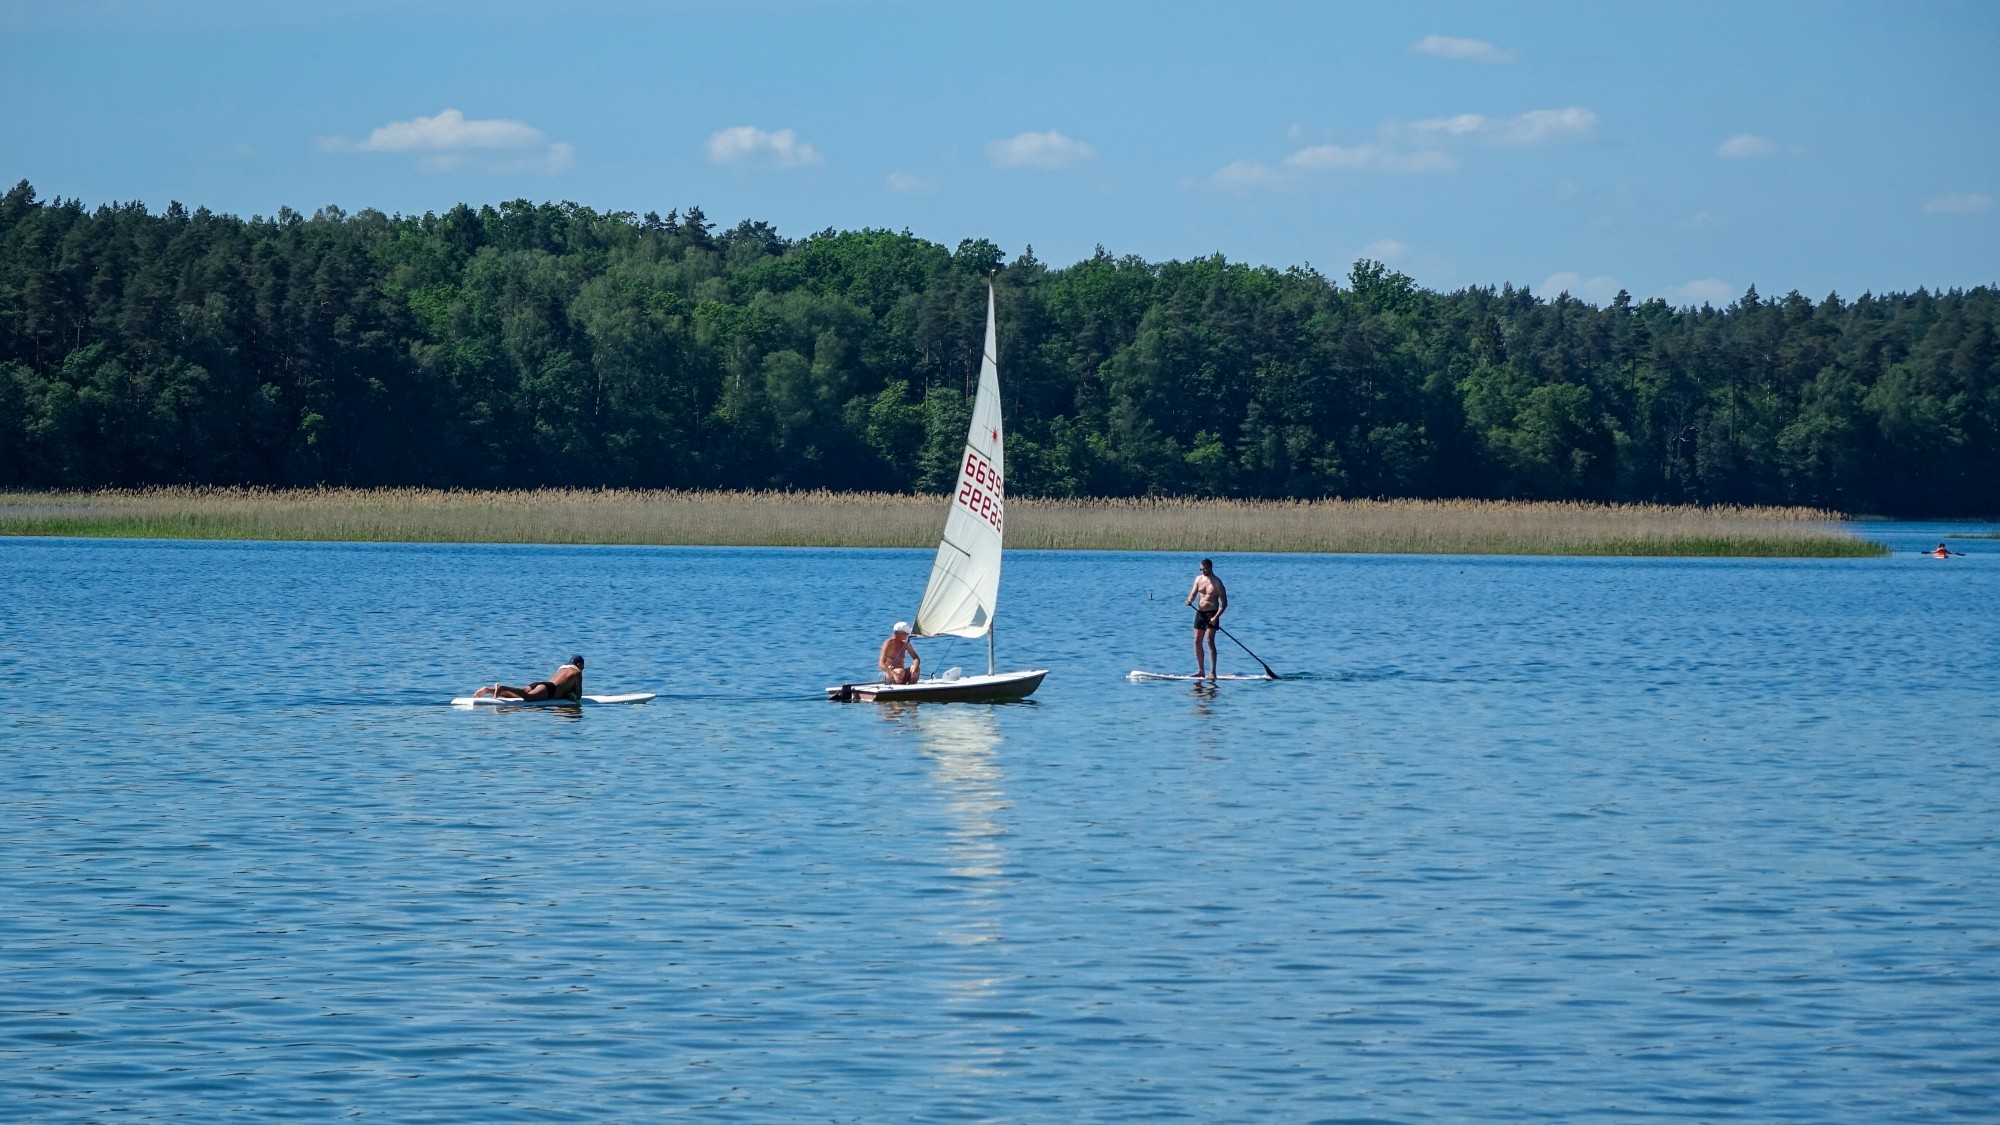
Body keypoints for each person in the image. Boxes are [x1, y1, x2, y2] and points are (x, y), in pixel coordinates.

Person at [1184, 558, 1228, 679]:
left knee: (1209, 640)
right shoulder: (1198, 579)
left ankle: (1213, 672)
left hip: (1212, 614)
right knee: (1197, 642)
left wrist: (1215, 617)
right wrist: (1189, 600)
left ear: (1210, 568)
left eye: (1204, 569)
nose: (1202, 571)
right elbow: (1193, 594)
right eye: (1201, 569)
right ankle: (1201, 671)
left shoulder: (1217, 583)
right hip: (1200, 613)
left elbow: (1224, 604)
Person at [474, 654, 584, 701]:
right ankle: (502, 687)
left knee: (517, 694)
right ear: (579, 664)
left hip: (542, 684)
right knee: (528, 697)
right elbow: (578, 696)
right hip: (550, 690)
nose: (583, 669)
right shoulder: (577, 672)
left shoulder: (562, 668)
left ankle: (488, 690)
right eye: (583, 666)